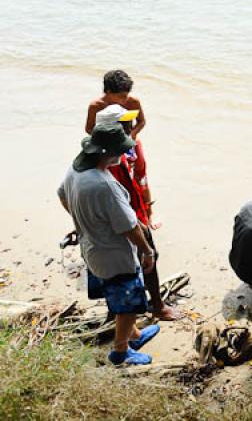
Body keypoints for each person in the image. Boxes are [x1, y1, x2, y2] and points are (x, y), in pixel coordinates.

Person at [57, 123, 160, 365]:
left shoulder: (75, 170)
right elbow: (129, 226)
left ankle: (133, 334)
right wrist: (147, 251)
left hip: (91, 249)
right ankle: (121, 351)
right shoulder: (104, 185)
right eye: (120, 151)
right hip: (114, 256)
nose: (122, 155)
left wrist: (82, 219)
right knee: (129, 303)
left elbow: (62, 194)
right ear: (107, 154)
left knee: (116, 295)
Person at [95, 105, 179, 320]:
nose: (132, 127)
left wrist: (148, 211)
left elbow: (141, 177)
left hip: (136, 213)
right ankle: (124, 314)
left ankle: (155, 305)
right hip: (120, 220)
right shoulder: (105, 160)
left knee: (149, 257)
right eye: (125, 125)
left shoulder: (132, 147)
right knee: (126, 266)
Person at [85, 69, 156, 224]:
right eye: (121, 96)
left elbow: (141, 122)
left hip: (130, 142)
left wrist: (132, 135)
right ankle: (123, 213)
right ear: (108, 92)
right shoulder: (96, 106)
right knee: (117, 180)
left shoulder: (133, 102)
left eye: (126, 95)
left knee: (141, 175)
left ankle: (149, 212)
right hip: (109, 148)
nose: (125, 99)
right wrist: (107, 139)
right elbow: (89, 129)